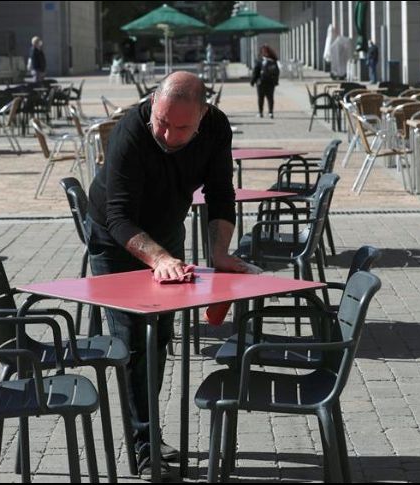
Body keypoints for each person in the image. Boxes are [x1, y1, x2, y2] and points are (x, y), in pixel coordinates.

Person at [86, 71, 257, 479]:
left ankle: (149, 432)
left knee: (160, 334)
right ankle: (144, 447)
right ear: (153, 103)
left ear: (203, 115)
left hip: (165, 232)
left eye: (181, 128)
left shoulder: (216, 128)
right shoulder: (131, 131)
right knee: (132, 338)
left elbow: (220, 193)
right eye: (161, 121)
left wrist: (219, 253)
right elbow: (119, 217)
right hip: (115, 237)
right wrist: (159, 258)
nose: (167, 134)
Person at [250, 44, 280, 118]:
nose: (265, 52)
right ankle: (262, 112)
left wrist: (275, 81)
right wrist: (253, 81)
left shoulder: (271, 61)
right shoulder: (261, 61)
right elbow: (256, 72)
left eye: (266, 51)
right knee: (263, 98)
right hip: (263, 82)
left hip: (267, 82)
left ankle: (269, 112)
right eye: (263, 51)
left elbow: (276, 72)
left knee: (268, 98)